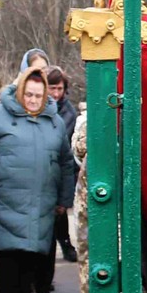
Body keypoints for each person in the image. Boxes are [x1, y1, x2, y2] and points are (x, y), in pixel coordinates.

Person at [0, 67, 77, 293]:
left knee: (32, 255)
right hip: (5, 198)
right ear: (19, 92)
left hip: (42, 201)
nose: (33, 100)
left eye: (38, 96)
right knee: (8, 255)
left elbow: (65, 162)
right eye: (28, 94)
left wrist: (64, 199)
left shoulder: (55, 122)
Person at [44, 66, 80, 266]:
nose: (56, 94)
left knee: (60, 212)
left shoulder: (68, 113)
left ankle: (65, 243)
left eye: (59, 89)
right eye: (52, 89)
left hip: (61, 170)